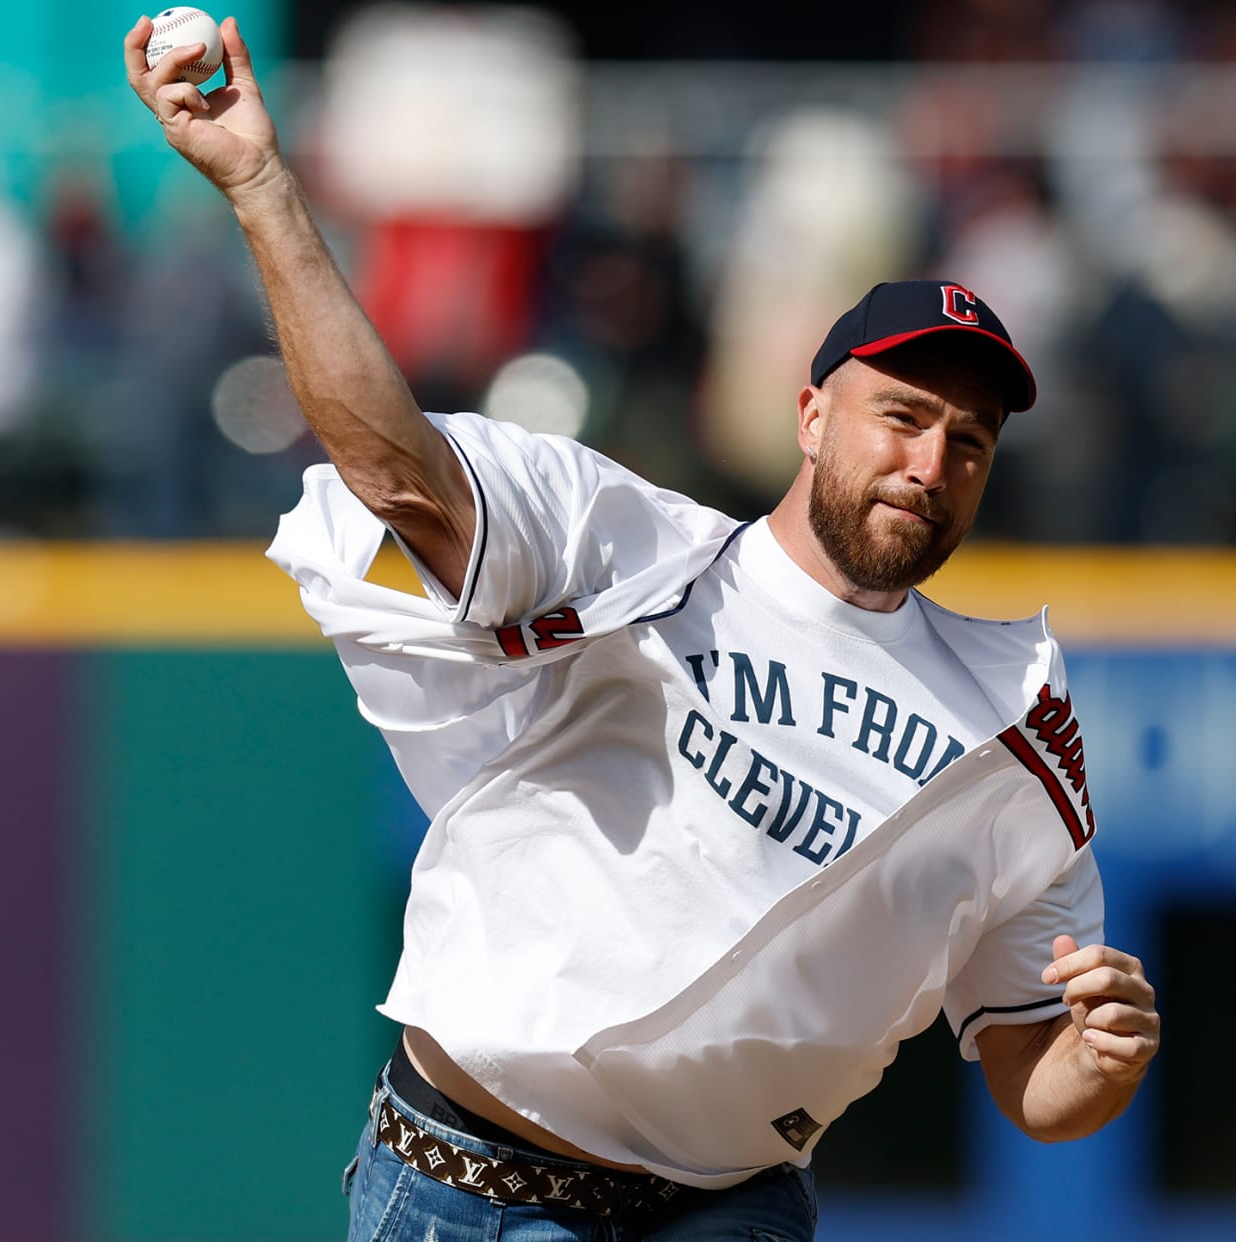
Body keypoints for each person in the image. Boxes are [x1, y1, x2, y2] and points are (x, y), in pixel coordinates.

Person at [125, 19, 1161, 1240]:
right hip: (478, 1186)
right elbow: (397, 475)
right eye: (902, 414)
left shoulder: (1011, 720)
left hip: (731, 1212)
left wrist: (1101, 1068)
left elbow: (1032, 1079)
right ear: (813, 416)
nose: (931, 460)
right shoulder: (636, 548)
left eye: (970, 441)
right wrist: (261, 187)